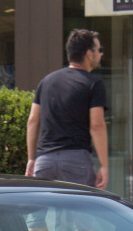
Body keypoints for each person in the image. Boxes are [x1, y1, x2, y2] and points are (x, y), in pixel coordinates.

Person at [25, 28, 108, 190]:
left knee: (42, 213)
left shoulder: (46, 81)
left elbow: (33, 121)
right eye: (99, 50)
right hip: (76, 160)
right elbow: (96, 126)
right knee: (77, 213)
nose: (101, 54)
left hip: (44, 161)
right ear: (89, 54)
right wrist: (104, 165)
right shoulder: (94, 84)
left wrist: (31, 159)